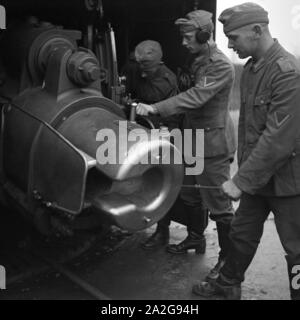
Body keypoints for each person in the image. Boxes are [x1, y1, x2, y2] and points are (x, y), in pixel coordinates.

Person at [193, 2, 300, 300]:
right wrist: (246, 177)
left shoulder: (286, 72)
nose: (229, 44)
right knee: (241, 235)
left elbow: (279, 139)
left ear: (257, 30)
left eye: (234, 37)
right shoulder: (253, 68)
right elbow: (251, 129)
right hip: (257, 178)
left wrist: (239, 181)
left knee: (297, 250)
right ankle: (227, 284)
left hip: (289, 182)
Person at [136, 10, 237, 282]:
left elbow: (195, 97)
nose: (183, 43)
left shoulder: (219, 65)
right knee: (190, 194)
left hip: (212, 144)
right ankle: (195, 239)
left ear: (205, 35)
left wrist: (155, 107)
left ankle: (227, 262)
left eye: (188, 37)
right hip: (192, 138)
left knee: (219, 204)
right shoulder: (199, 61)